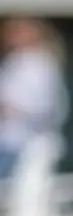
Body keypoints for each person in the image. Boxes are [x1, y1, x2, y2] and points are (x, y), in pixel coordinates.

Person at [0, 17, 66, 175]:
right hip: (8, 141)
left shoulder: (39, 63)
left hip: (27, 144)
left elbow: (47, 107)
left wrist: (11, 108)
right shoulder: (14, 61)